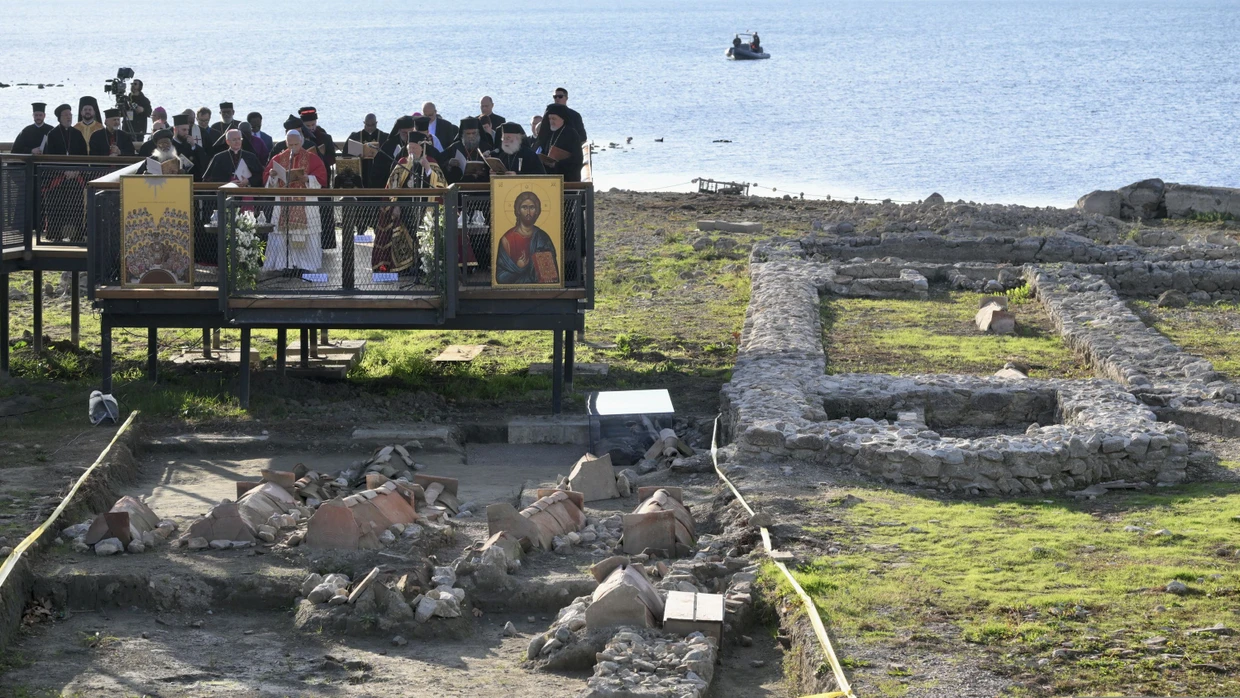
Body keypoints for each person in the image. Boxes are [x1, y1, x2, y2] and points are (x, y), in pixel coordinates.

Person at [372, 132, 445, 274]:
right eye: (409, 148)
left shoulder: (431, 162)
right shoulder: (402, 163)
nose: (411, 151)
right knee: (404, 236)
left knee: (424, 236)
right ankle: (405, 267)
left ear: (422, 149)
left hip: (426, 209)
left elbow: (441, 184)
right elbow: (393, 185)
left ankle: (424, 266)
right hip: (405, 209)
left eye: (415, 148)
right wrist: (395, 205)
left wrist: (428, 169)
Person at [262, 129, 327, 273]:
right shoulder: (278, 158)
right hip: (283, 205)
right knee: (282, 234)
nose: (293, 148)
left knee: (307, 234)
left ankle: (306, 264)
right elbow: (267, 179)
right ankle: (283, 264)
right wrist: (273, 176)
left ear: (301, 142)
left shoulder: (312, 158)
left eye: (296, 144)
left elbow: (321, 179)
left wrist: (308, 179)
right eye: (290, 145)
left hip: (306, 205)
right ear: (286, 143)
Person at [496, 191, 559, 285]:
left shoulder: (543, 237)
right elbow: (501, 277)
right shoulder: (507, 239)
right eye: (524, 207)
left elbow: (551, 273)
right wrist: (519, 267)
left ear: (537, 211)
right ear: (518, 210)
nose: (528, 212)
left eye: (532, 207)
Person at [297, 107, 337, 249]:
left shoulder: (325, 137)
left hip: (320, 177)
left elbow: (332, 159)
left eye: (313, 125)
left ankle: (325, 243)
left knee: (323, 210)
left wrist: (321, 156)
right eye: (308, 126)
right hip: (303, 178)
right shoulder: (299, 138)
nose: (311, 128)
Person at [536, 103, 584, 182]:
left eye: (554, 119)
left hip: (566, 177)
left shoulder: (571, 134)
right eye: (550, 119)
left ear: (563, 119)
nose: (551, 121)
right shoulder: (549, 133)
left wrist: (557, 164)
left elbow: (577, 159)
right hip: (549, 175)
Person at [368, 115, 415, 189]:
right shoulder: (389, 144)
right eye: (404, 133)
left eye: (410, 133)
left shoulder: (418, 144)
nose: (407, 136)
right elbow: (378, 169)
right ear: (399, 131)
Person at [442, 117, 492, 184]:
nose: (471, 136)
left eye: (474, 133)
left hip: (482, 185)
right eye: (468, 134)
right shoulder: (455, 147)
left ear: (478, 133)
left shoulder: (486, 147)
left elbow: (494, 168)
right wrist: (449, 163)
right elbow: (440, 162)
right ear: (463, 134)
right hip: (460, 185)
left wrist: (488, 163)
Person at [346, 113, 388, 186]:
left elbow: (388, 155)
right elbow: (346, 155)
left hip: (378, 171)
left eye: (372, 125)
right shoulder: (355, 136)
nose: (370, 128)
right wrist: (357, 157)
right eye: (368, 125)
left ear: (376, 123)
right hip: (360, 171)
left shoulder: (384, 137)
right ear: (364, 123)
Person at [170, 113, 207, 179]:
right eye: (184, 130)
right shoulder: (170, 145)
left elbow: (202, 164)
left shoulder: (191, 145)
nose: (187, 133)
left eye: (188, 130)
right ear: (175, 130)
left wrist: (193, 146)